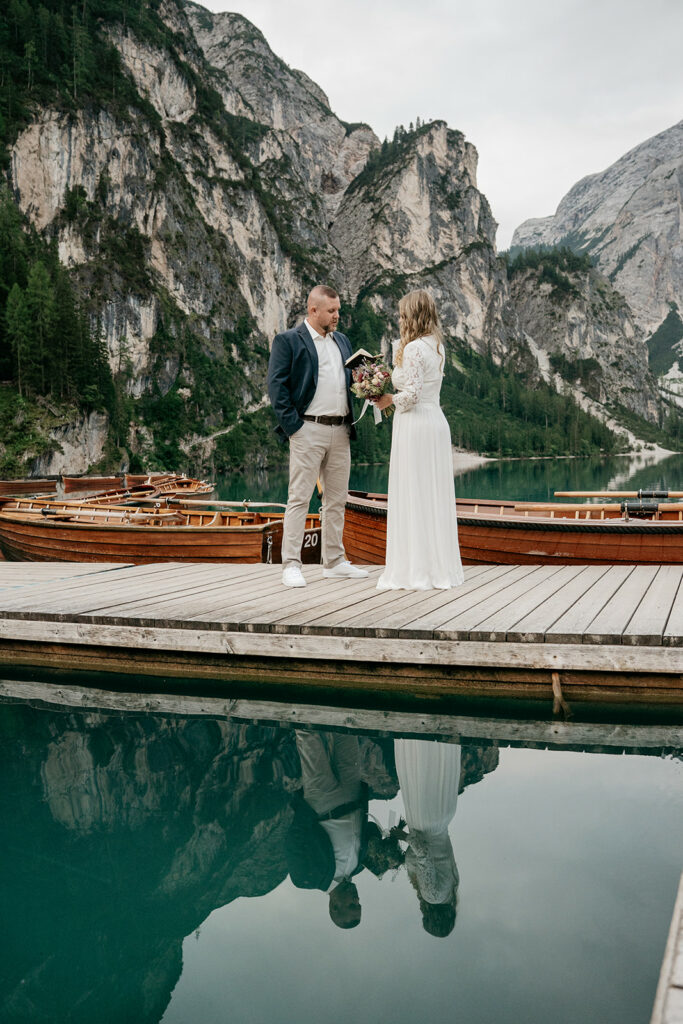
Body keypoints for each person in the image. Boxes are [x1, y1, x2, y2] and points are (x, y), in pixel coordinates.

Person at [267, 285, 369, 588]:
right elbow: (276, 387)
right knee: (299, 498)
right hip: (307, 429)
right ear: (313, 310)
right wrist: (294, 428)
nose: (337, 316)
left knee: (337, 499)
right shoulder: (288, 340)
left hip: (341, 429)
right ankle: (291, 564)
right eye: (331, 311)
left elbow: (350, 381)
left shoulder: (343, 341)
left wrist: (368, 382)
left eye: (338, 310)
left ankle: (334, 561)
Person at [372, 289, 464, 590]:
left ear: (412, 317)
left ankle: (415, 569)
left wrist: (387, 399)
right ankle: (437, 566)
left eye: (402, 315)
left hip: (414, 424)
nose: (399, 320)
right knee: (431, 494)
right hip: (434, 420)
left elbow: (410, 396)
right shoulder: (436, 346)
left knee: (413, 492)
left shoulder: (413, 349)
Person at [288, 730, 367, 929]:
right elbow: (368, 830)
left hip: (322, 802)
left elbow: (293, 842)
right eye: (359, 905)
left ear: (335, 907)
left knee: (309, 738)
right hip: (353, 793)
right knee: (346, 732)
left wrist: (307, 810)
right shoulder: (359, 866)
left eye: (352, 905)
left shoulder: (306, 878)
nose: (357, 899)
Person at [393, 738, 461, 938]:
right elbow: (423, 853)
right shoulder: (432, 896)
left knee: (433, 767)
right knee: (419, 764)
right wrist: (403, 836)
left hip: (442, 816)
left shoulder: (452, 888)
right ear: (430, 917)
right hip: (425, 821)